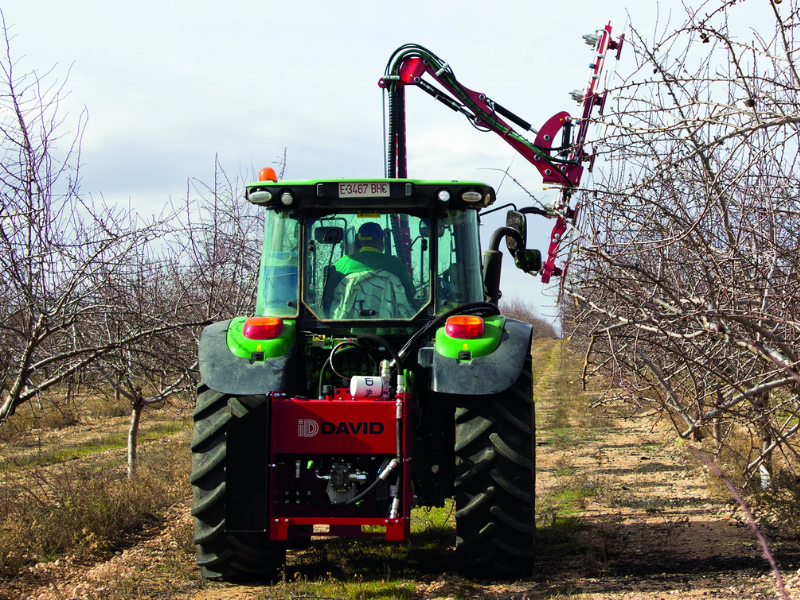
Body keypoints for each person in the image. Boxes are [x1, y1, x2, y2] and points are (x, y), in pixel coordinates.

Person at [323, 222, 415, 312]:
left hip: (346, 325)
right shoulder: (395, 264)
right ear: (381, 240)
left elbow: (327, 298)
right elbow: (410, 293)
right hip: (390, 325)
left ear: (358, 241)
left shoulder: (343, 264)